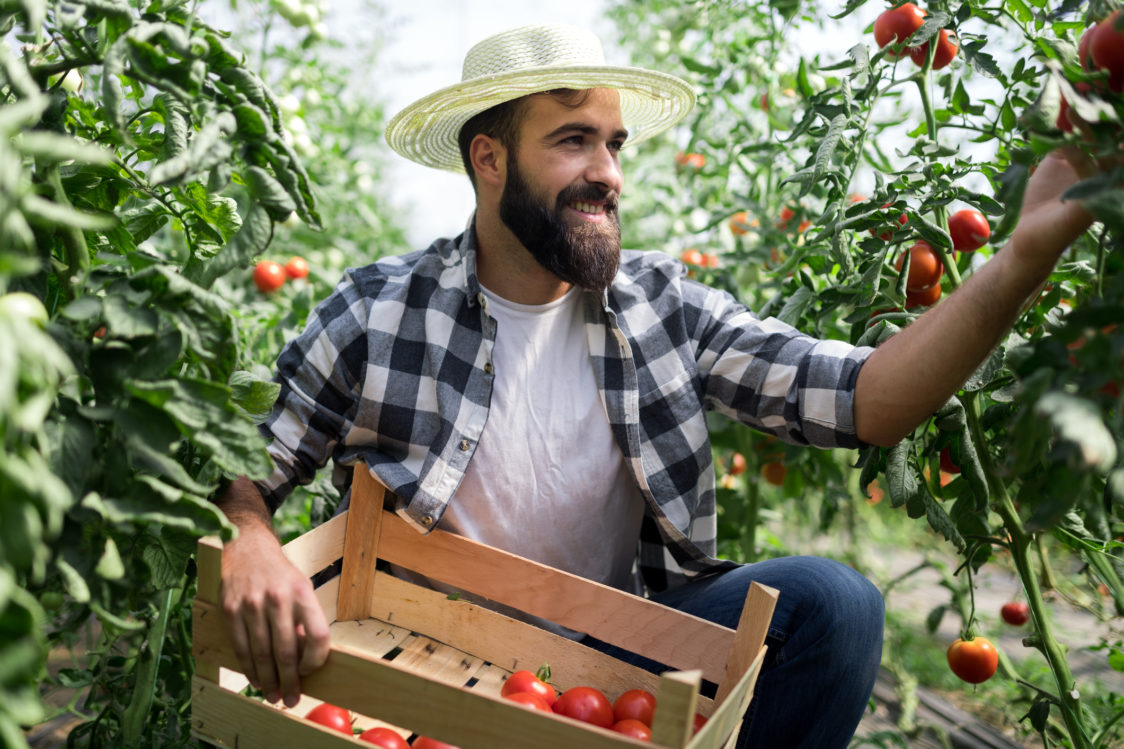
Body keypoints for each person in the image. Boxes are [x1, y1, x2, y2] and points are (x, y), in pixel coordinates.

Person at [214, 23, 1101, 748]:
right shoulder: (379, 311)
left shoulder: (662, 307)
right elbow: (244, 464)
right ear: (489, 159)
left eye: (614, 143)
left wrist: (1023, 256)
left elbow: (868, 397)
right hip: (427, 653)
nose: (609, 172)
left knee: (837, 605)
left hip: (610, 652)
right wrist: (250, 536)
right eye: (573, 140)